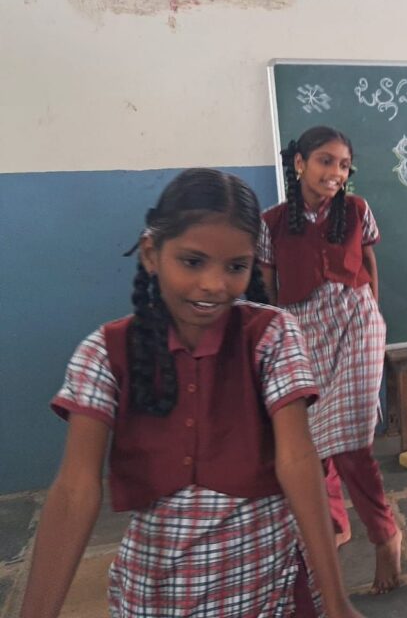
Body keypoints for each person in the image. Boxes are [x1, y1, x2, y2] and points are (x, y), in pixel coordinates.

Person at [19, 168, 362, 618]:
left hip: (267, 588)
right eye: (193, 262)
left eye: (235, 266)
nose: (214, 284)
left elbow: (298, 459)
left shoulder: (273, 335)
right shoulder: (105, 351)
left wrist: (336, 599)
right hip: (157, 592)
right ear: (151, 254)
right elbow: (74, 490)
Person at [259, 126, 401, 595]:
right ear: (299, 163)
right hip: (302, 330)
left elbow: (370, 265)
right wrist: (278, 342)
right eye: (325, 161)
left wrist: (374, 315)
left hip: (356, 322)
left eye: (343, 165)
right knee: (314, 442)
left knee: (352, 441)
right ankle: (336, 524)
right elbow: (268, 286)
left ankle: (385, 535)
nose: (336, 173)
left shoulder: (357, 209)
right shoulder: (272, 222)